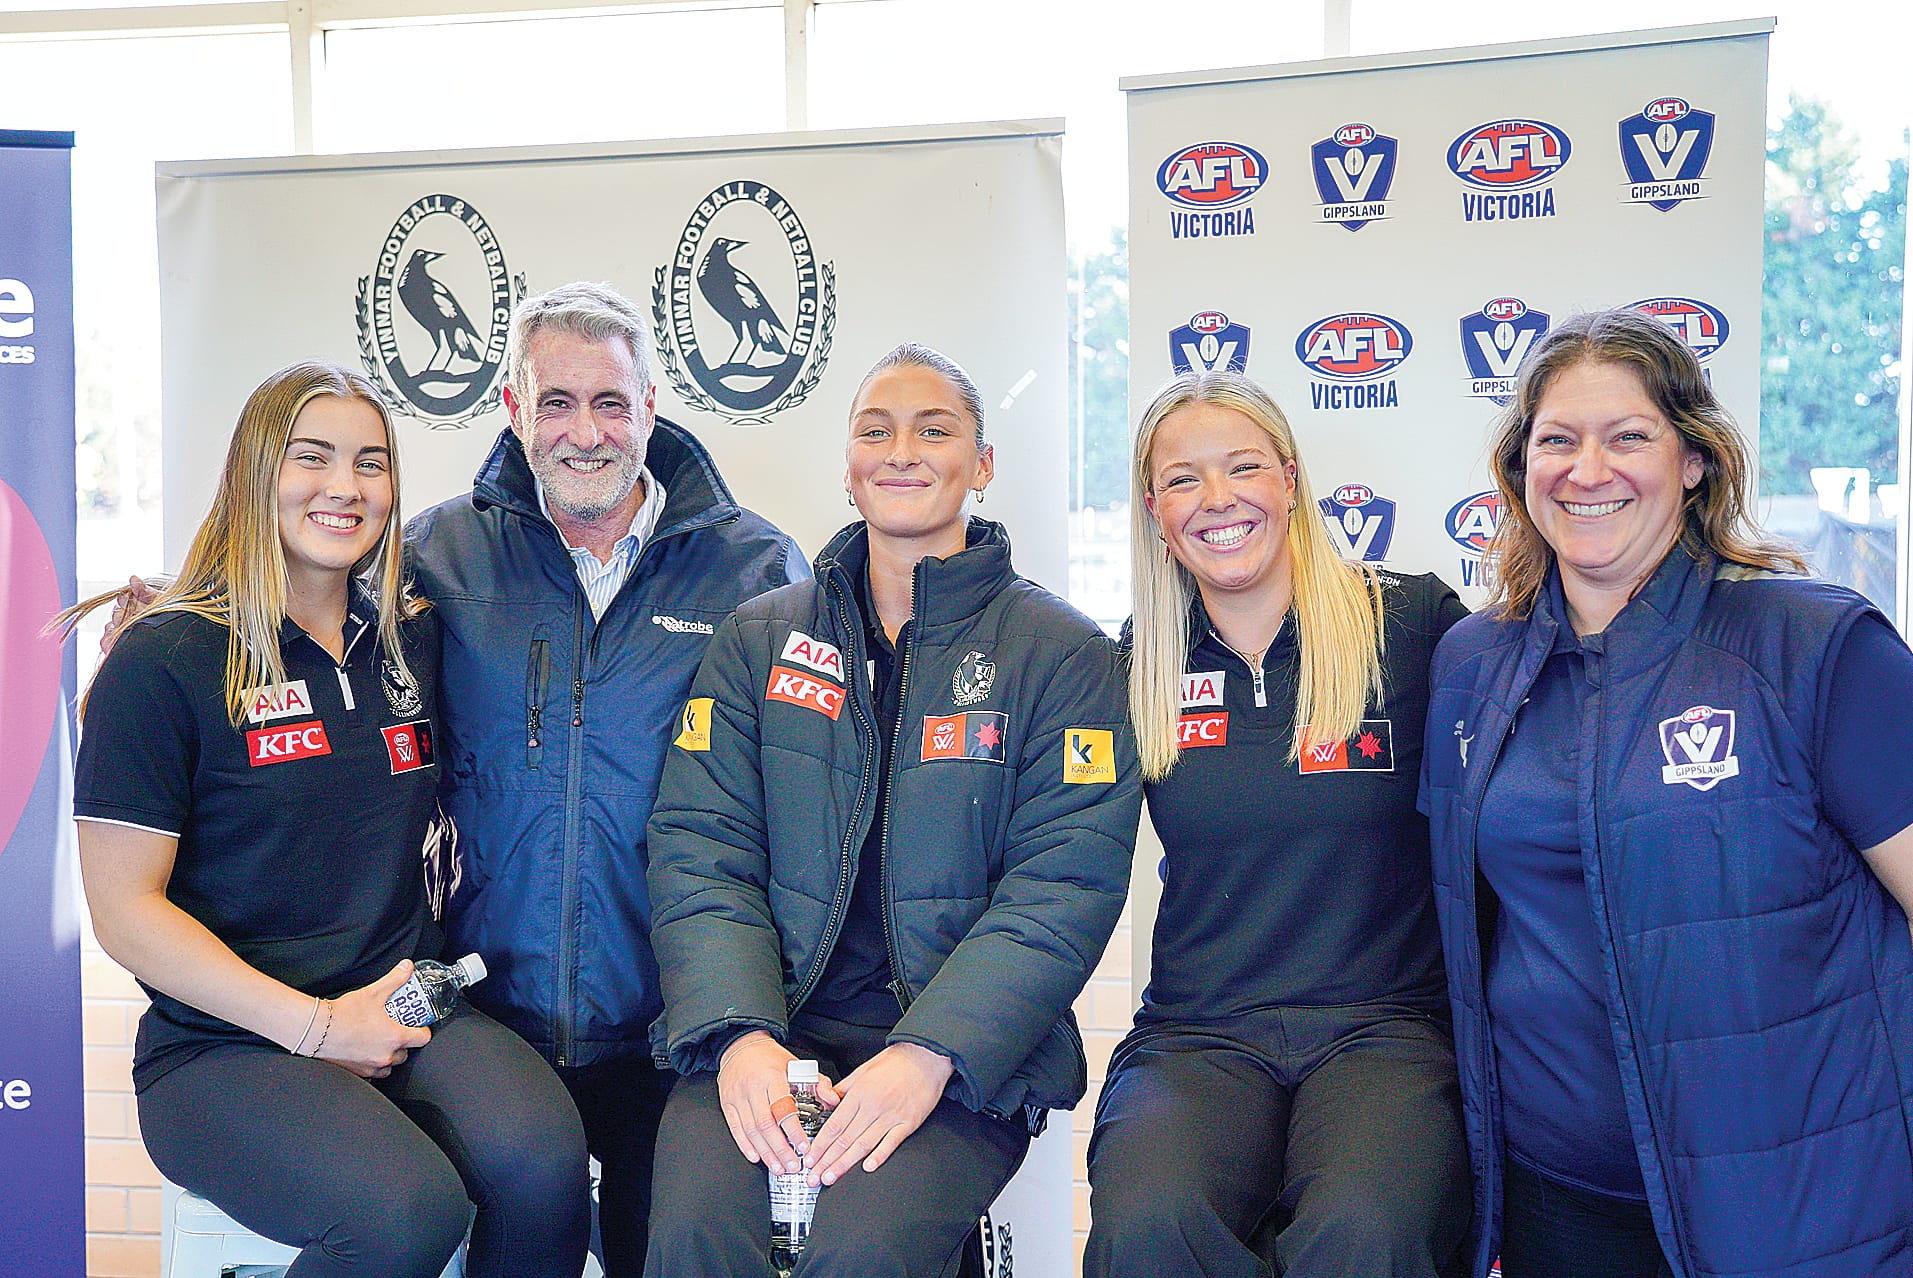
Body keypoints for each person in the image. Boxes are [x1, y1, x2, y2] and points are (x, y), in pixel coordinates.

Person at [65, 362, 590, 1278]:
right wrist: (315, 1028)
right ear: (254, 472)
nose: (345, 487)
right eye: (313, 458)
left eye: (370, 463)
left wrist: (356, 1020)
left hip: (400, 1005)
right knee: (406, 1216)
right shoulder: (163, 660)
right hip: (220, 1050)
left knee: (546, 1171)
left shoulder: (406, 633)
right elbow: (124, 914)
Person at [1421, 307, 1913, 1278]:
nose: (1585, 468)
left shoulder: (1813, 649)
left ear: (1692, 460)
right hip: (1552, 1206)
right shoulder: (1470, 665)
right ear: (1519, 469)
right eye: (1554, 440)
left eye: (1627, 436)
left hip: (1796, 1216)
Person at [642, 343, 1142, 1277]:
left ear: (982, 465)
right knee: (691, 1241)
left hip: (957, 1057)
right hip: (767, 1026)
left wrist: (931, 1054)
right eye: (875, 430)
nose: (900, 450)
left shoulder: (1060, 653)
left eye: (934, 429)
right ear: (848, 464)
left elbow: (1061, 887)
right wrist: (741, 1036)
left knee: (862, 1259)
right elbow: (697, 848)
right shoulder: (759, 637)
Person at [404, 281, 805, 1276]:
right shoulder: (433, 557)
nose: (584, 434)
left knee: (666, 1253)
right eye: (556, 402)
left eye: (610, 403)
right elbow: (309, 638)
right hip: (486, 1016)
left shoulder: (756, 572)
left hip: (672, 1030)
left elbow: (816, 784)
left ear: (651, 409)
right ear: (510, 407)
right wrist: (188, 611)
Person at [1084, 369, 1471, 1277]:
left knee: (1363, 1232)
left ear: (1290, 483)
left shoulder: (1411, 624)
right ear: (1154, 509)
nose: (1217, 500)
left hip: (1383, 1028)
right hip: (1199, 1031)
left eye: (1243, 468)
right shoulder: (1132, 666)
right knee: (1147, 1225)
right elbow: (1049, 861)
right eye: (1183, 479)